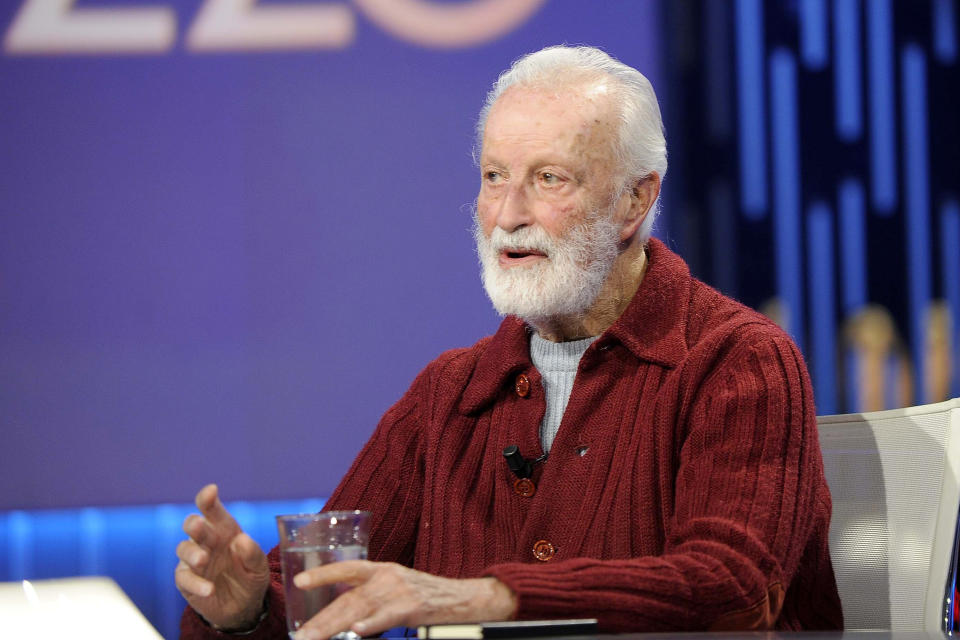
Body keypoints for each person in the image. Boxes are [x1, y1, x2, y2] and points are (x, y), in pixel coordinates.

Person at [176, 45, 843, 639]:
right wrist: (246, 610)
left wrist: (489, 599)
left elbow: (732, 587)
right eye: (495, 176)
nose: (507, 213)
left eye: (549, 178)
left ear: (635, 203)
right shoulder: (449, 394)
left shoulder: (738, 361)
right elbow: (330, 595)